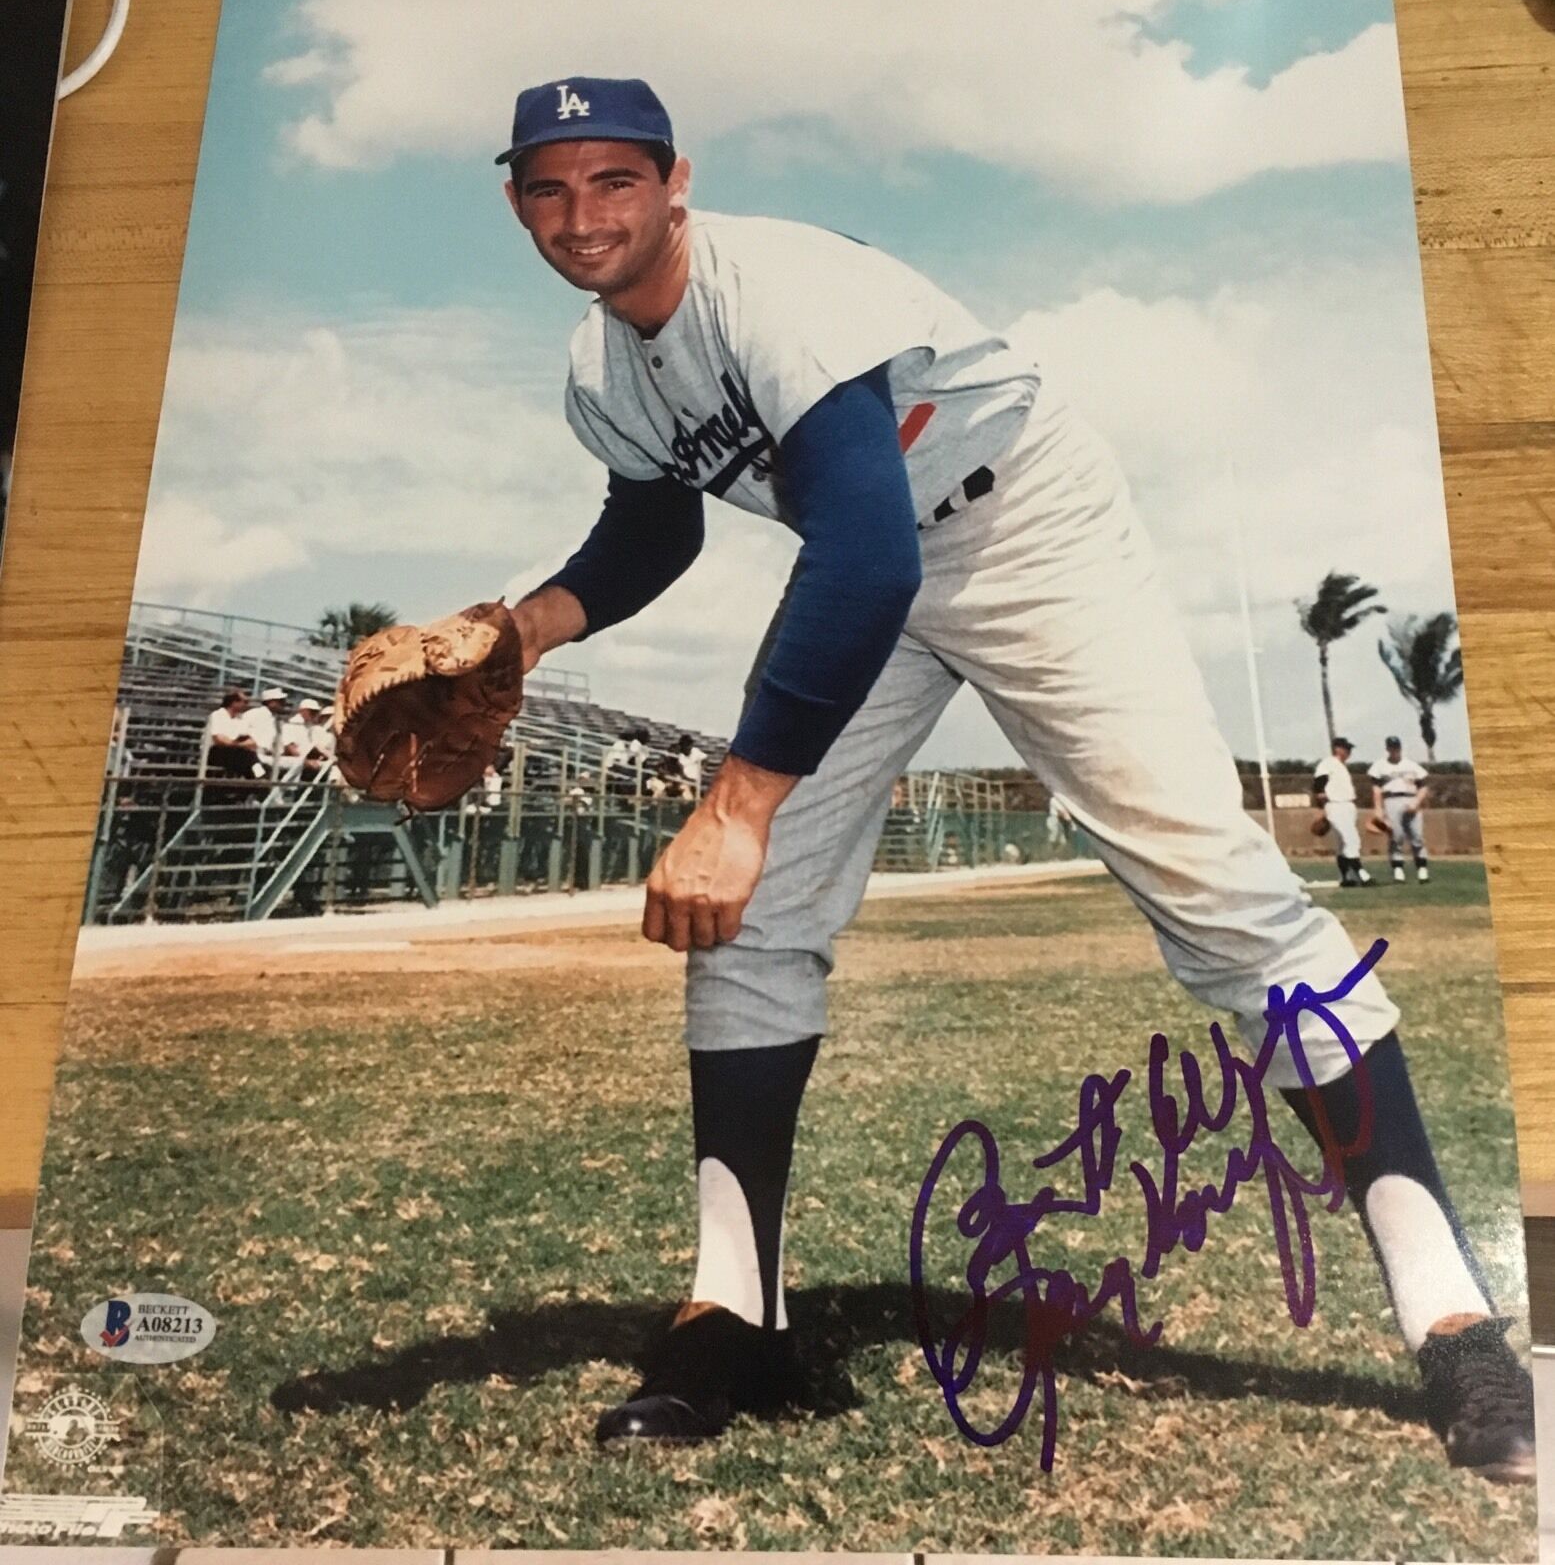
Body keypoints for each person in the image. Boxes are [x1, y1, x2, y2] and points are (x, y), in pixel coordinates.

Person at [492, 76, 1531, 1477]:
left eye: (612, 180)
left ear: (674, 180)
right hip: (871, 568)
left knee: (1222, 901)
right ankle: (729, 1315)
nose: (582, 214)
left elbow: (867, 551)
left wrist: (737, 805)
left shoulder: (771, 289)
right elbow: (649, 525)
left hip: (1019, 523)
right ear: (516, 203)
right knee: (754, 920)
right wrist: (523, 630)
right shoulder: (600, 367)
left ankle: (1455, 1320)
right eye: (549, 188)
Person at [1369, 735, 1431, 883]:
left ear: (1400, 748)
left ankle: (1422, 869)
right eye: (1391, 747)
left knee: (1417, 835)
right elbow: (1376, 789)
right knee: (1396, 836)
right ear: (1387, 748)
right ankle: (1398, 870)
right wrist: (1378, 808)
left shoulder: (1411, 765)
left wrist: (1416, 802)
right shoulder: (1380, 766)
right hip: (1391, 799)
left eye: (1396, 747)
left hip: (1411, 798)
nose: (1394, 750)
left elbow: (1424, 786)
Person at [1313, 737, 1372, 889]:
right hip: (1337, 805)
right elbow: (1319, 785)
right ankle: (1361, 874)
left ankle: (1345, 877)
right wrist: (1320, 808)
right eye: (1346, 748)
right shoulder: (1328, 763)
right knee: (1351, 840)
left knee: (1342, 843)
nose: (1349, 751)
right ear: (1337, 748)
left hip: (1346, 805)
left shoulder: (1340, 765)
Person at [199, 689, 259, 781]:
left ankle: (259, 778)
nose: (246, 705)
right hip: (215, 752)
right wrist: (239, 744)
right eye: (245, 702)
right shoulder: (217, 715)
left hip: (236, 752)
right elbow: (219, 740)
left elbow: (252, 742)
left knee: (251, 757)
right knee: (249, 758)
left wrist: (236, 744)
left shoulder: (240, 719)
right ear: (234, 702)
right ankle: (259, 779)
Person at [240, 686, 290, 779]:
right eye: (280, 701)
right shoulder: (252, 714)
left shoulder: (276, 720)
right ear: (270, 702)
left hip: (269, 755)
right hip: (254, 754)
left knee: (298, 763)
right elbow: (242, 733)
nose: (283, 704)